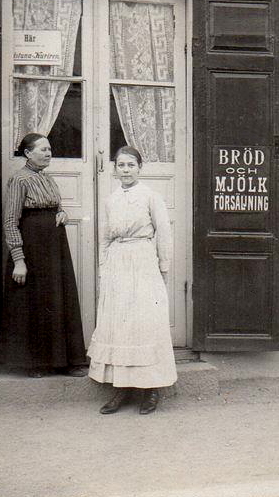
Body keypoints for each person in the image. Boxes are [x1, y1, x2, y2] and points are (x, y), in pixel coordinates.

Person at [88, 146, 177, 414]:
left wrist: (163, 265)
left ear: (140, 168)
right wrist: (104, 266)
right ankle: (121, 389)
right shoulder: (110, 200)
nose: (125, 170)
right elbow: (104, 236)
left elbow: (163, 232)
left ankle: (151, 390)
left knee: (144, 322)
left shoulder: (150, 196)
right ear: (114, 169)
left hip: (142, 259)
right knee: (119, 324)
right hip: (118, 262)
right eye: (121, 165)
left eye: (131, 165)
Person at [2, 133, 88, 378]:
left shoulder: (48, 179)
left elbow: (56, 207)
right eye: (43, 149)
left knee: (59, 299)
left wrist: (62, 214)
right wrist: (19, 260)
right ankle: (36, 363)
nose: (49, 153)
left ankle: (67, 361)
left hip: (55, 248)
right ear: (28, 153)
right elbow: (10, 221)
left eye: (50, 148)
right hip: (32, 249)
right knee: (36, 302)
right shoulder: (19, 180)